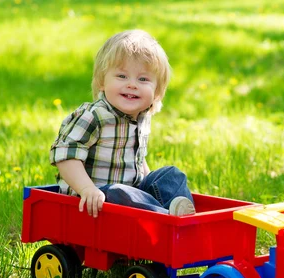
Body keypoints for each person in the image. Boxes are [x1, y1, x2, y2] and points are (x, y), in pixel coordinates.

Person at [50, 30, 195, 218]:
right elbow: (65, 155)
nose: (132, 84)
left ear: (156, 91)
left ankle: (181, 216)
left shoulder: (141, 118)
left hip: (131, 197)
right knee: (119, 192)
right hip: (97, 199)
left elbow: (136, 161)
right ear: (102, 81)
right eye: (122, 76)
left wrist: (152, 184)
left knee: (171, 175)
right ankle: (164, 218)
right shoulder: (93, 116)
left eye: (143, 79)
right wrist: (87, 189)